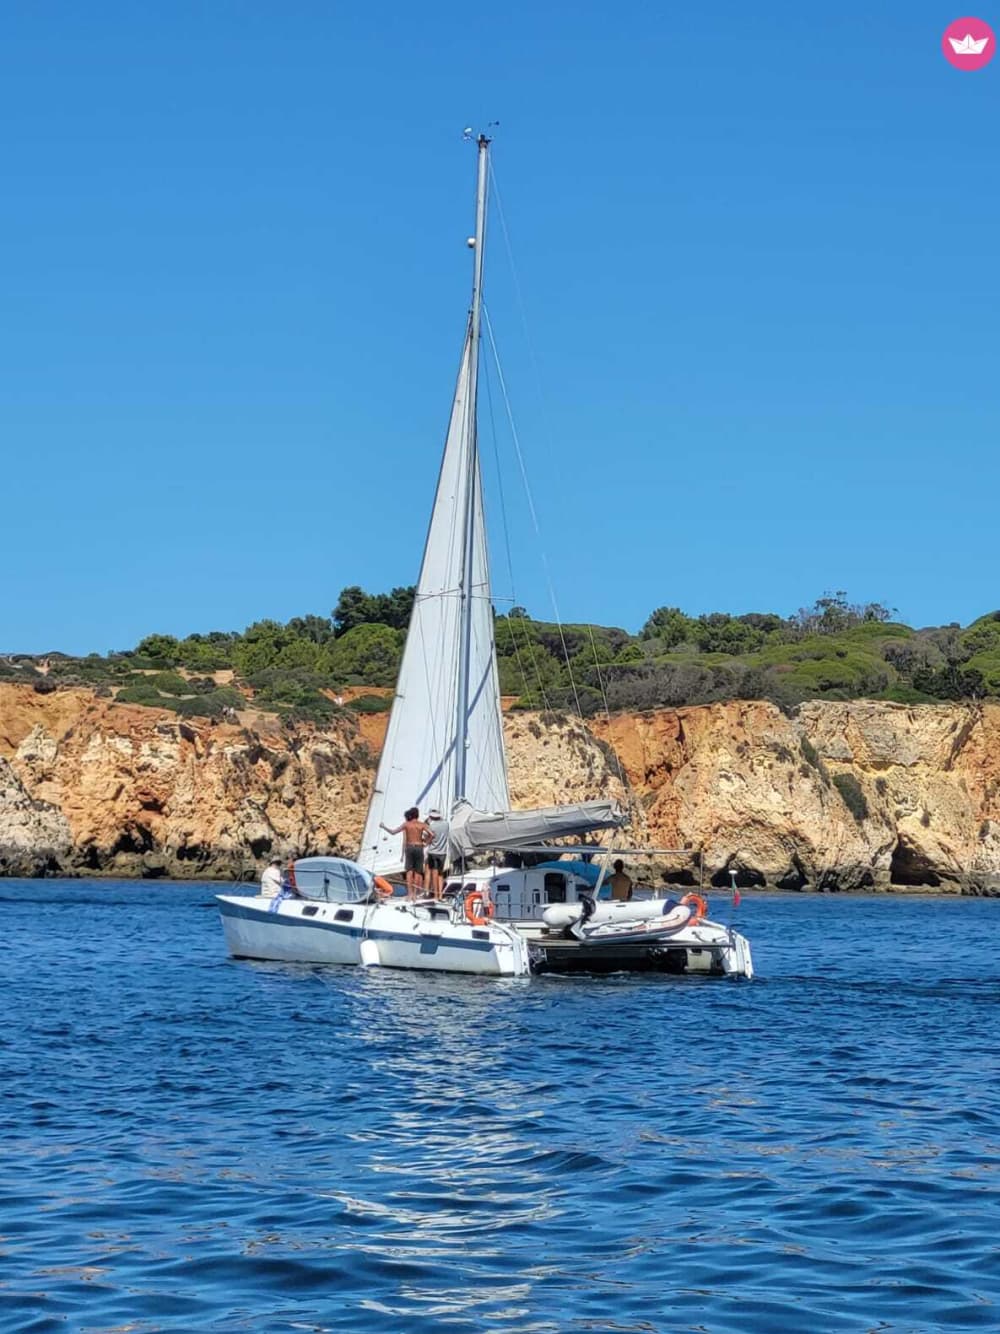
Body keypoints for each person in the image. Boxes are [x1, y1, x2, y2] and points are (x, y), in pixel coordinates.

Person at [380, 806, 433, 898]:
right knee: (418, 872)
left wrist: (383, 827)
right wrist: (426, 843)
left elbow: (393, 832)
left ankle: (410, 894)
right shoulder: (422, 825)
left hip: (409, 847)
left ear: (411, 815)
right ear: (417, 815)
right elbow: (432, 835)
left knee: (409, 872)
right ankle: (415, 894)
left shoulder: (406, 824)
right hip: (419, 847)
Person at [425, 808, 450, 899]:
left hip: (433, 852)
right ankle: (440, 895)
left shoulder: (432, 827)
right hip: (443, 852)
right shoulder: (446, 824)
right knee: (440, 874)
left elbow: (429, 839)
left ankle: (435, 895)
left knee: (434, 874)